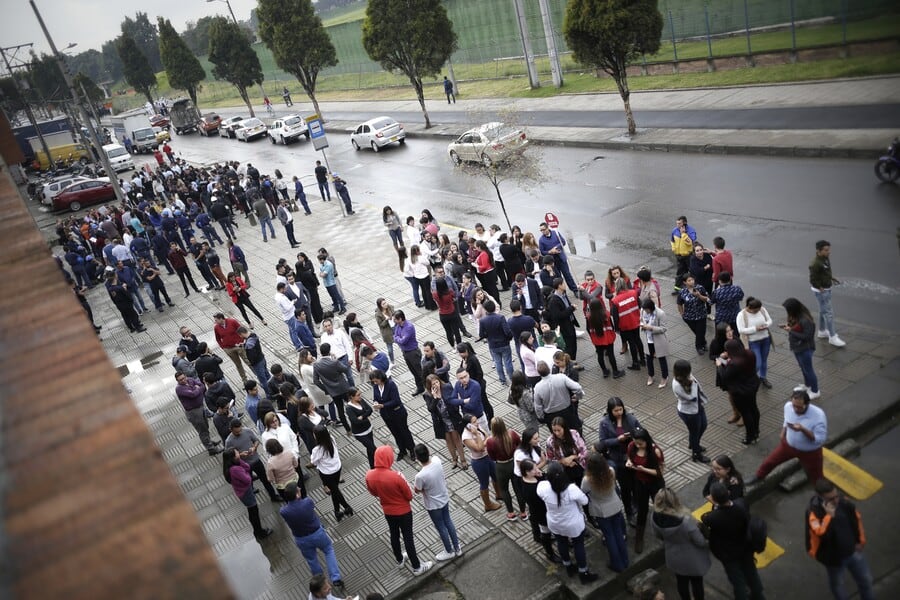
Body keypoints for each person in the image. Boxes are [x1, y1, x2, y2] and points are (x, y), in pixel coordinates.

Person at [365, 445, 434, 576]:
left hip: (388, 511)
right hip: (404, 512)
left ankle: (400, 560)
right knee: (408, 538)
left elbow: (373, 492)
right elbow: (409, 496)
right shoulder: (396, 476)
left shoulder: (369, 475)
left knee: (394, 534)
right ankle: (417, 567)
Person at [806, 478, 874, 600]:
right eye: (831, 499)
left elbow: (856, 520)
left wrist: (860, 540)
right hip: (834, 559)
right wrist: (829, 517)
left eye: (836, 496)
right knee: (838, 585)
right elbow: (821, 535)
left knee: (866, 581)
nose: (836, 500)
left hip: (853, 551)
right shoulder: (814, 512)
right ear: (821, 497)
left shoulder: (844, 502)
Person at [279, 482, 347, 594]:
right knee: (328, 550)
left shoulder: (284, 511)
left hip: (301, 539)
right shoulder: (307, 502)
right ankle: (336, 578)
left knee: (312, 560)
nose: (300, 488)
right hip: (317, 534)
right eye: (298, 489)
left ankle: (321, 582)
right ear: (297, 495)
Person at [701, 483, 764, 600]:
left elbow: (704, 518)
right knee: (751, 572)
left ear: (713, 499)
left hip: (728, 553)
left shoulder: (713, 517)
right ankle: (758, 595)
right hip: (745, 547)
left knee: (737, 580)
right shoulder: (741, 505)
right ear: (728, 493)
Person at [537, 462, 598, 583]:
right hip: (573, 524)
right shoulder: (571, 489)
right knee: (578, 545)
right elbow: (585, 501)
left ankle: (568, 566)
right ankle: (583, 572)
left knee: (561, 543)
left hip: (555, 523)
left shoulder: (543, 487)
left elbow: (540, 491)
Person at [752, 388, 827, 485]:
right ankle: (759, 476)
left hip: (810, 452)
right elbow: (787, 419)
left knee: (816, 474)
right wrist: (783, 431)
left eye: (799, 407)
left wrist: (803, 430)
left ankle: (822, 493)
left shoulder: (818, 415)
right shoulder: (788, 406)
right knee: (770, 461)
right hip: (788, 445)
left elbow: (819, 440)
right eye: (794, 406)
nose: (796, 409)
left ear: (807, 404)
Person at [651, 488, 711, 600]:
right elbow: (700, 541)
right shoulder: (685, 521)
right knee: (697, 583)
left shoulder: (654, 517)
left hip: (673, 556)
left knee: (681, 582)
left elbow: (658, 535)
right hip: (693, 559)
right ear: (674, 500)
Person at [582, 449, 629, 573]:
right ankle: (625, 560)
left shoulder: (588, 480)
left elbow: (583, 491)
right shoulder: (611, 471)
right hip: (615, 506)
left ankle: (617, 564)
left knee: (609, 536)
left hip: (601, 511)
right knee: (618, 533)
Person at [413, 443, 462, 561]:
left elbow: (417, 490)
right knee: (448, 521)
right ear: (428, 452)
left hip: (433, 505)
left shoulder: (420, 476)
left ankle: (449, 551)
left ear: (417, 458)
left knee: (441, 527)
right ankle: (457, 548)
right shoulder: (437, 460)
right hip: (444, 498)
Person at [626, 427, 665, 554]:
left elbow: (659, 472)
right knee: (642, 509)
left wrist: (644, 469)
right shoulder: (632, 446)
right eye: (636, 442)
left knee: (660, 507)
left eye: (641, 443)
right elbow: (629, 458)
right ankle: (639, 537)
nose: (638, 445)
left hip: (654, 483)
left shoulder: (655, 451)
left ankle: (665, 530)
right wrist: (629, 463)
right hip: (640, 483)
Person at [225, 419, 282, 502]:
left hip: (256, 460)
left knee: (265, 479)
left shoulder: (247, 431)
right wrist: (240, 455)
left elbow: (256, 441)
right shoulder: (229, 441)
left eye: (240, 430)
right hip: (244, 465)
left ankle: (273, 496)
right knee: (248, 483)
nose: (239, 433)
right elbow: (229, 456)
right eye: (236, 432)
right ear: (231, 429)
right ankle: (252, 498)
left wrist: (254, 448)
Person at [223, 448, 273, 539]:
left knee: (252, 510)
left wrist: (240, 460)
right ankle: (259, 532)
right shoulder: (235, 470)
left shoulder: (231, 467)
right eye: (237, 453)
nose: (239, 453)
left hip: (243, 492)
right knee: (254, 512)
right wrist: (244, 471)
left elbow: (247, 468)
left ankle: (257, 531)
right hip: (246, 493)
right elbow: (248, 479)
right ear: (233, 458)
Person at [718, 339, 761, 445]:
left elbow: (725, 376)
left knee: (746, 413)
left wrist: (719, 364)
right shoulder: (750, 353)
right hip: (753, 385)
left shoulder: (734, 363)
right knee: (754, 408)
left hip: (740, 391)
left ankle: (750, 436)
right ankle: (756, 430)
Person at [486, 417, 527, 521]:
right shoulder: (511, 434)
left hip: (501, 466)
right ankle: (523, 512)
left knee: (504, 490)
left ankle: (511, 513)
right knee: (518, 489)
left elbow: (492, 457)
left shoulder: (490, 441)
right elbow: (520, 444)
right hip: (514, 464)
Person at [310, 424, 354, 521]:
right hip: (337, 468)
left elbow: (313, 462)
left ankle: (347, 507)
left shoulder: (317, 450)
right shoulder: (332, 439)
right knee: (335, 490)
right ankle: (337, 511)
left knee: (335, 491)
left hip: (327, 473)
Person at [370, 369, 416, 461]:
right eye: (373, 381)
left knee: (404, 431)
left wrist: (383, 405)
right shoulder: (376, 387)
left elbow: (396, 401)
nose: (375, 383)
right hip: (386, 415)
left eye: (376, 380)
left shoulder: (390, 384)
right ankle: (402, 450)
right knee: (395, 433)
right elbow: (376, 397)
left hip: (397, 413)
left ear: (381, 378)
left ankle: (412, 450)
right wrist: (375, 402)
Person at [461, 413, 503, 512]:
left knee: (495, 475)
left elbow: (488, 437)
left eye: (476, 420)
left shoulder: (478, 427)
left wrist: (483, 443)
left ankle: (499, 494)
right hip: (479, 461)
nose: (477, 423)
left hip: (488, 456)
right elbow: (479, 448)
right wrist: (476, 435)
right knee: (484, 483)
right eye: (474, 422)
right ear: (468, 425)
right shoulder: (466, 437)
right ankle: (487, 504)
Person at [175, 372, 224, 456]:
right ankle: (211, 448)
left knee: (205, 426)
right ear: (177, 381)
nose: (183, 380)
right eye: (180, 380)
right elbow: (192, 394)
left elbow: (202, 386)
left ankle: (209, 441)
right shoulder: (179, 389)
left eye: (184, 378)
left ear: (185, 376)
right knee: (202, 430)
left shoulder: (190, 380)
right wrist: (197, 389)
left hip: (201, 407)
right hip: (193, 412)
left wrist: (196, 388)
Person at [672, 359, 711, 463]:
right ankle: (696, 453)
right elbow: (692, 397)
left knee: (703, 425)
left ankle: (694, 443)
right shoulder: (677, 385)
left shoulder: (687, 376)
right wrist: (693, 384)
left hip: (698, 407)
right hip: (689, 413)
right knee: (695, 432)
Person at [782, 297, 821, 400]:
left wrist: (790, 330)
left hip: (805, 349)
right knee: (803, 368)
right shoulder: (796, 316)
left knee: (808, 370)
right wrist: (790, 327)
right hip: (797, 348)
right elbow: (796, 328)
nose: (787, 312)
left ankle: (815, 390)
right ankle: (807, 385)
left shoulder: (806, 320)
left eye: (788, 310)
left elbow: (807, 336)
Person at [809, 240, 846, 347]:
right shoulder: (815, 264)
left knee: (822, 311)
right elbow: (812, 279)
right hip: (822, 291)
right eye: (826, 250)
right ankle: (833, 337)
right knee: (829, 313)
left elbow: (825, 272)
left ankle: (822, 331)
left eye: (829, 249)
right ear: (818, 251)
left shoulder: (825, 258)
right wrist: (820, 288)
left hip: (827, 288)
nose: (829, 252)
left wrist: (832, 278)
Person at [736, 297, 774, 389]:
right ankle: (749, 377)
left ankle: (763, 378)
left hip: (765, 339)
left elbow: (769, 321)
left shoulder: (762, 309)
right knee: (758, 363)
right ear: (749, 307)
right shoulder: (742, 315)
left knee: (764, 360)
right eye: (755, 310)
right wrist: (755, 329)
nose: (757, 312)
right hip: (753, 342)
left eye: (758, 310)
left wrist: (766, 325)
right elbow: (741, 330)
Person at [610, 277, 645, 371]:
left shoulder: (615, 300)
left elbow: (615, 316)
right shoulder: (633, 293)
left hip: (625, 325)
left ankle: (635, 363)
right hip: (635, 321)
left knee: (631, 343)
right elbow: (640, 304)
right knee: (638, 339)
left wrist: (616, 328)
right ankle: (642, 360)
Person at [546, 277, 579, 362]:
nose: (565, 285)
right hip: (564, 326)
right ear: (559, 286)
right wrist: (571, 308)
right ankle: (570, 362)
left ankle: (573, 360)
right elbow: (558, 315)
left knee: (573, 342)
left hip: (570, 322)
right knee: (569, 344)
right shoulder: (553, 300)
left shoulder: (564, 294)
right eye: (563, 283)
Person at [537, 222, 577, 291]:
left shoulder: (555, 233)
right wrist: (550, 251)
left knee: (567, 275)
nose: (542, 231)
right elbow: (542, 252)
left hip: (561, 258)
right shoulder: (541, 240)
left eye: (543, 229)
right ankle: (562, 291)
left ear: (547, 228)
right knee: (558, 278)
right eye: (541, 230)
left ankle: (575, 289)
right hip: (552, 263)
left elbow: (563, 242)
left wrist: (556, 248)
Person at [392, 310, 425, 395]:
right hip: (405, 352)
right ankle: (420, 388)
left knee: (420, 372)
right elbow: (395, 336)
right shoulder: (398, 326)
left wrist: (397, 339)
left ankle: (427, 387)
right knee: (413, 371)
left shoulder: (409, 327)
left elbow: (403, 341)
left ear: (400, 319)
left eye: (395, 319)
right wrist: (398, 338)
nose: (393, 321)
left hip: (413, 352)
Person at [640, 299, 670, 388]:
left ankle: (665, 377)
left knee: (661, 358)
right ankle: (651, 375)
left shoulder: (660, 313)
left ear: (650, 308)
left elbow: (663, 328)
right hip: (648, 339)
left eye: (646, 310)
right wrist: (642, 325)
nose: (645, 311)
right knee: (649, 358)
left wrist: (650, 328)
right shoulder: (643, 311)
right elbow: (641, 320)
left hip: (658, 340)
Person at [677, 274, 710, 355]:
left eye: (692, 279)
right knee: (698, 332)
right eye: (689, 280)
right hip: (689, 317)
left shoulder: (700, 288)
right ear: (685, 282)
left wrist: (699, 295)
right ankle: (703, 342)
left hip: (701, 314)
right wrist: (682, 314)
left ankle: (699, 346)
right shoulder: (682, 292)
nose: (691, 281)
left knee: (701, 331)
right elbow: (679, 304)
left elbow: (707, 299)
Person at [344, 388, 377, 468]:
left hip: (368, 429)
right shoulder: (349, 408)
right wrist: (367, 418)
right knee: (373, 448)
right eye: (358, 395)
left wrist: (362, 416)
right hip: (360, 433)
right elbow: (355, 421)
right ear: (352, 397)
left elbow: (370, 410)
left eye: (360, 394)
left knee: (370, 449)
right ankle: (377, 466)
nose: (360, 396)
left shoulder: (361, 401)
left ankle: (373, 467)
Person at [214, 312, 251, 382]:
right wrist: (223, 348)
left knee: (248, 361)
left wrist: (242, 341)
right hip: (228, 349)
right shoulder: (216, 327)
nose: (215, 322)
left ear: (221, 319)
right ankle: (245, 380)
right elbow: (218, 339)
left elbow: (242, 330)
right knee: (238, 365)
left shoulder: (232, 321)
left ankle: (258, 375)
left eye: (216, 320)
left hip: (239, 346)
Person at [670, 216, 698, 293]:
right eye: (677, 223)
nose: (677, 225)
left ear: (684, 223)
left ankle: (694, 289)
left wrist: (683, 234)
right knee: (680, 273)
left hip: (688, 256)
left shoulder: (691, 231)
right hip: (679, 256)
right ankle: (678, 289)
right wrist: (674, 248)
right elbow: (672, 240)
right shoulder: (675, 230)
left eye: (679, 223)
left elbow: (690, 243)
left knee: (692, 272)